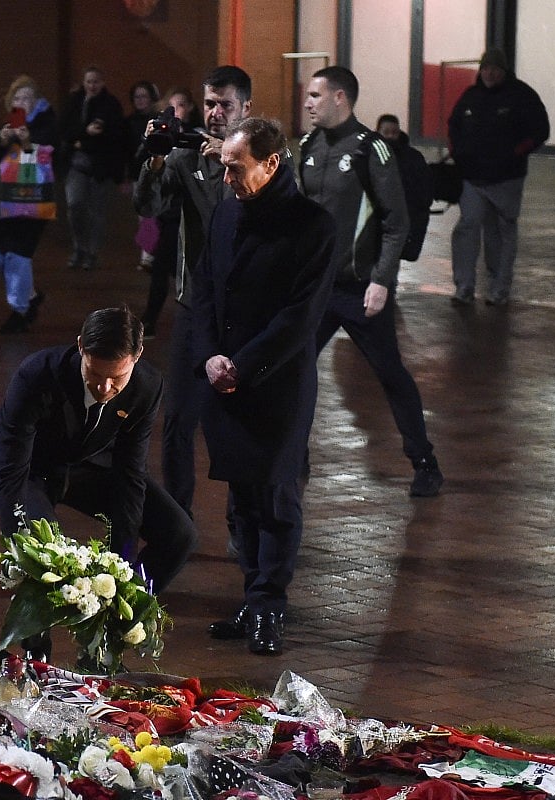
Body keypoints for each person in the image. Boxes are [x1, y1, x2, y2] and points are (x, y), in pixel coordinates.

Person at [192, 118, 336, 656]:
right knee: (242, 500)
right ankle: (252, 599)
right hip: (224, 378)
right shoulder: (226, 210)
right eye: (224, 166)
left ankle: (269, 608)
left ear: (271, 163)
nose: (226, 177)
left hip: (276, 384)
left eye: (236, 167)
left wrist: (243, 365)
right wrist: (210, 356)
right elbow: (205, 288)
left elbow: (300, 317)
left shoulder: (312, 225)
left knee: (275, 496)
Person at [0, 306, 198, 597]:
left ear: (137, 356)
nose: (104, 387)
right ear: (81, 346)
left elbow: (130, 476)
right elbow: (11, 472)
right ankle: (44, 625)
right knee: (46, 550)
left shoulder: (147, 386)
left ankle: (127, 605)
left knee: (179, 533)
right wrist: (20, 544)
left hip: (90, 461)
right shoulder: (37, 374)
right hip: (29, 466)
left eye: (117, 377)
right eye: (94, 372)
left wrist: (121, 566)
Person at [301, 65, 444, 498]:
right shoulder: (307, 147)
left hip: (360, 290)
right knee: (295, 368)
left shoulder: (371, 149)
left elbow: (397, 222)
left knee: (390, 373)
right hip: (318, 289)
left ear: (340, 97)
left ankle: (424, 462)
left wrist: (381, 280)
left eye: (315, 95)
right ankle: (293, 455)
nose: (307, 103)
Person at [133, 65, 252, 519]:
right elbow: (148, 205)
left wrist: (234, 159)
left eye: (226, 105)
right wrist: (155, 158)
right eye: (209, 104)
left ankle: (242, 523)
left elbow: (282, 206)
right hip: (195, 305)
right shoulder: (187, 157)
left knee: (238, 421)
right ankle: (176, 519)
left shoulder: (267, 155)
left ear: (246, 108)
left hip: (246, 311)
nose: (216, 113)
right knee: (178, 417)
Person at [447, 48, 550, 307]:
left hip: (506, 179)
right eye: (485, 68)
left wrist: (515, 153)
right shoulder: (470, 96)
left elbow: (540, 129)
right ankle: (464, 287)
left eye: (494, 69)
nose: (489, 73)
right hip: (472, 177)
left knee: (501, 231)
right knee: (468, 227)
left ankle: (499, 288)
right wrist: (457, 152)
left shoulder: (522, 96)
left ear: (504, 71)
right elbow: (454, 124)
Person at [0, 74, 56, 334]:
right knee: (0, 257)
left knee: (18, 256)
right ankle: (32, 296)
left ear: (36, 101)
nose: (22, 102)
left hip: (35, 202)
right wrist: (3, 141)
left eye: (27, 97)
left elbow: (51, 159)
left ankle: (20, 311)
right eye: (17, 97)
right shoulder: (12, 123)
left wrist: (27, 142)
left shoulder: (47, 122)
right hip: (11, 201)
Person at [139, 87, 201, 339]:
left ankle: (194, 318)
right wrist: (151, 143)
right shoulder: (162, 136)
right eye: (172, 106)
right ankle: (150, 319)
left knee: (187, 272)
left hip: (190, 215)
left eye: (183, 105)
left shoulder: (196, 135)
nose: (178, 112)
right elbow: (146, 175)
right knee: (160, 269)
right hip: (168, 215)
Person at [59, 65, 126, 271]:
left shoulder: (110, 104)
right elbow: (64, 129)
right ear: (84, 82)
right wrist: (85, 132)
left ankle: (91, 252)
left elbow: (114, 135)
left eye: (96, 81)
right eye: (89, 81)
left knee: (96, 212)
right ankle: (79, 246)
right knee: (75, 205)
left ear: (102, 82)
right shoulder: (74, 102)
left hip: (100, 166)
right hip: (76, 164)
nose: (92, 85)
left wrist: (83, 140)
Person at [375, 113, 434, 263]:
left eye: (394, 132)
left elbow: (424, 193)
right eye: (386, 132)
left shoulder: (412, 159)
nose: (390, 136)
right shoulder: (369, 155)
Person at [126, 80, 161, 272]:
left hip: (158, 171)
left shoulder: (158, 120)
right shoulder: (129, 122)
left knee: (155, 215)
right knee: (144, 215)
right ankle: (147, 255)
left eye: (144, 96)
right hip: (138, 174)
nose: (140, 100)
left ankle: (152, 255)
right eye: (136, 97)